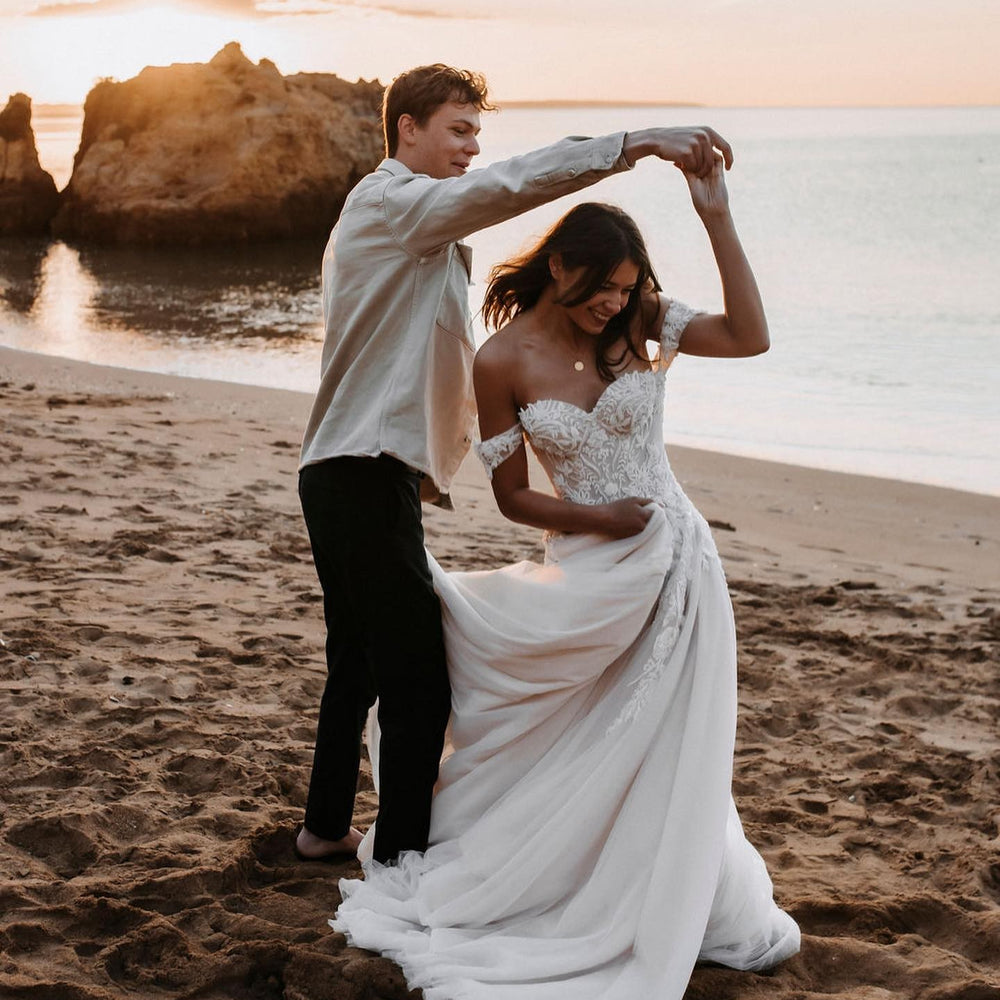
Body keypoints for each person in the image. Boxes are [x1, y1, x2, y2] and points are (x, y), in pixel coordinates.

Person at [331, 158, 801, 996]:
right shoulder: (500, 362)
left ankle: (665, 890)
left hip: (679, 566)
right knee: (586, 732)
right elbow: (512, 499)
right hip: (593, 564)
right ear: (559, 265)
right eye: (603, 286)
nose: (615, 303)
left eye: (627, 288)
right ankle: (575, 883)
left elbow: (752, 334)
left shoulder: (640, 327)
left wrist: (718, 216)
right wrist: (598, 520)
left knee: (669, 744)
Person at [295, 61, 736, 866]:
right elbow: (510, 186)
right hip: (356, 471)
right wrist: (634, 144)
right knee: (419, 678)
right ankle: (401, 858)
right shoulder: (391, 204)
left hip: (358, 472)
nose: (471, 147)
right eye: (458, 129)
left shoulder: (416, 232)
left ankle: (323, 828)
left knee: (355, 660)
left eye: (475, 132)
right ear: (408, 130)